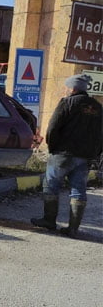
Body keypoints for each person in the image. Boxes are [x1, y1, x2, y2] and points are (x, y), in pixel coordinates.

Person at [31, 74, 102, 238]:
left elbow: (53, 126)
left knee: (51, 185)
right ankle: (73, 229)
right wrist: (96, 153)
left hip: (63, 154)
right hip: (85, 156)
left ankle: (49, 221)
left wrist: (53, 147)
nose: (65, 89)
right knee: (78, 190)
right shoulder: (98, 107)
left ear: (73, 88)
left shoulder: (67, 102)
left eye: (67, 87)